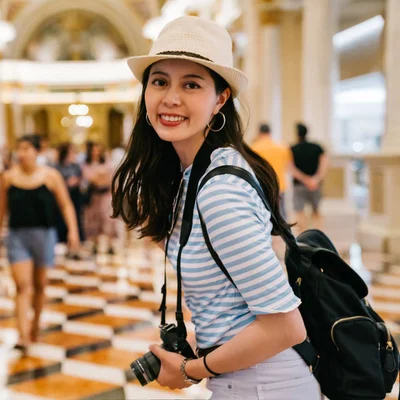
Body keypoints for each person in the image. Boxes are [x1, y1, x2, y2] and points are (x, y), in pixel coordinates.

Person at [111, 16, 320, 398]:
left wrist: (191, 370)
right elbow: (232, 302)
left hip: (265, 386)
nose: (171, 98)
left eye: (191, 84)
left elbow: (286, 326)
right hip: (248, 381)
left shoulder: (218, 189)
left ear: (220, 98)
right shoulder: (194, 175)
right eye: (160, 81)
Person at [0, 135, 79, 351]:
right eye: (19, 148)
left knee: (39, 286)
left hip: (44, 235)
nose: (22, 153)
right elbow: (0, 211)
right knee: (22, 286)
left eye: (27, 148)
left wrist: (73, 232)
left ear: (37, 152)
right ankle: (23, 335)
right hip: (17, 236)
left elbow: (66, 205)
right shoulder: (8, 178)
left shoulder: (51, 176)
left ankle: (35, 327)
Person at [291, 123, 328, 232]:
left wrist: (305, 180)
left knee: (300, 212)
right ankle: (318, 236)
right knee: (316, 211)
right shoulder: (317, 147)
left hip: (299, 185)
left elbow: (291, 168)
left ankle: (303, 237)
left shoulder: (293, 149)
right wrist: (315, 179)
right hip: (315, 185)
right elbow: (324, 164)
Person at [83, 142, 118, 254]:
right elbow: (90, 178)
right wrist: (100, 176)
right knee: (93, 220)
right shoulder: (86, 164)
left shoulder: (107, 163)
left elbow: (110, 178)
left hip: (106, 194)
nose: (96, 152)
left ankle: (110, 244)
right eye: (93, 150)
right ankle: (95, 244)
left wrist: (100, 176)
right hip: (94, 195)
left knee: (108, 219)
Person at [55, 143, 85, 248]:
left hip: (74, 196)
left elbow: (81, 177)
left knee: (75, 217)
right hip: (60, 196)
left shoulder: (75, 165)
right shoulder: (56, 165)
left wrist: (76, 181)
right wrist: (66, 183)